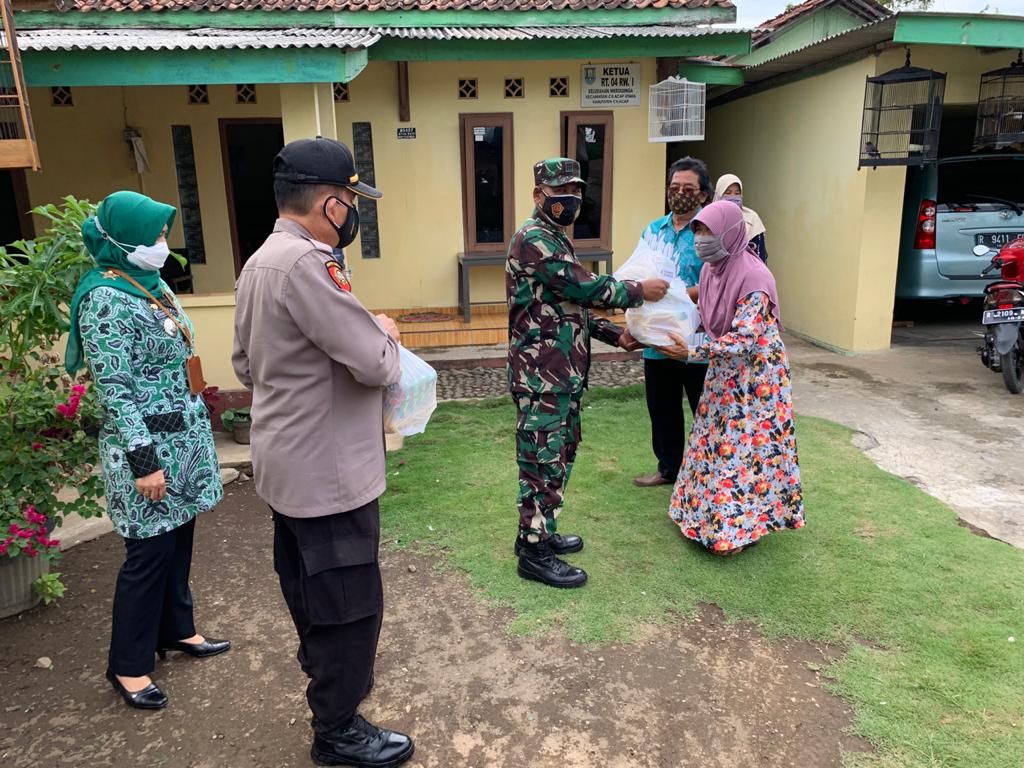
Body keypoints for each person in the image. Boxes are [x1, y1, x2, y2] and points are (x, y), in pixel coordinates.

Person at [232, 137, 414, 768]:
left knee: (310, 590)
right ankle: (337, 730)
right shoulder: (308, 264)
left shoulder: (260, 261)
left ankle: (330, 683)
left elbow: (244, 364)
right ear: (331, 204)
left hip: (288, 464)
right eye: (350, 202)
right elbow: (375, 364)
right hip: (329, 473)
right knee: (347, 605)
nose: (353, 214)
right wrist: (384, 333)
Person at [65, 190, 229, 711]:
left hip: (183, 441)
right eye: (156, 235)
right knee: (147, 557)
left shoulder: (150, 284)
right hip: (147, 451)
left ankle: (177, 629)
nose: (163, 243)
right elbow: (115, 390)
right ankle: (128, 665)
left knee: (178, 545)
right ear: (124, 238)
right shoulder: (104, 300)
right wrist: (144, 463)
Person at [508, 157, 669, 588]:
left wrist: (617, 336)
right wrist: (639, 291)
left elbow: (571, 306)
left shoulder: (557, 239)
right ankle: (534, 553)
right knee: (541, 462)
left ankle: (540, 532)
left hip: (562, 375)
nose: (572, 199)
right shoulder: (533, 239)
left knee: (560, 455)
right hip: (541, 378)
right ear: (538, 195)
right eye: (562, 192)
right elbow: (585, 287)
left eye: (577, 191)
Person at [657, 200, 804, 555]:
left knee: (745, 449)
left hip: (757, 379)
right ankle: (698, 517)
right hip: (724, 370)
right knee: (713, 440)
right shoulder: (712, 270)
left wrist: (690, 352)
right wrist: (661, 326)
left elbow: (743, 338)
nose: (701, 239)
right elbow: (706, 318)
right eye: (698, 231)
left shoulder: (755, 277)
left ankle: (738, 531)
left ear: (731, 232)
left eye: (709, 231)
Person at [633, 157, 713, 489]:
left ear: (703, 194)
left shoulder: (708, 231)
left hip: (698, 340)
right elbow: (637, 272)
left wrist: (674, 295)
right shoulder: (653, 230)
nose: (680, 193)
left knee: (705, 409)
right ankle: (668, 469)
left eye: (688, 189)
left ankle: (710, 475)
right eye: (674, 187)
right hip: (658, 336)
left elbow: (717, 282)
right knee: (662, 407)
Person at [715, 174, 768, 263]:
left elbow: (760, 255)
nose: (733, 197)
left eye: (737, 193)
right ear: (718, 195)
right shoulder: (710, 219)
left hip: (746, 269)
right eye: (728, 193)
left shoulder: (751, 218)